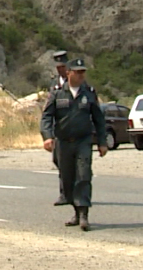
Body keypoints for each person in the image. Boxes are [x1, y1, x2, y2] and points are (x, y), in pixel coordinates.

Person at [40, 58, 107, 231]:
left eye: (83, 72)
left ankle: (84, 214)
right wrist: (47, 137)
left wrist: (102, 142)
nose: (81, 75)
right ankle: (76, 212)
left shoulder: (89, 93)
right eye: (77, 72)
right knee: (67, 178)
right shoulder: (57, 93)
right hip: (63, 142)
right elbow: (47, 117)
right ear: (68, 73)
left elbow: (99, 119)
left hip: (83, 141)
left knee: (83, 176)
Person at [49, 50, 68, 206]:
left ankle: (66, 193)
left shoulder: (74, 82)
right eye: (58, 66)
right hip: (58, 129)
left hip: (73, 128)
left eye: (62, 66)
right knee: (58, 160)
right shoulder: (55, 84)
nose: (59, 69)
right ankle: (66, 191)